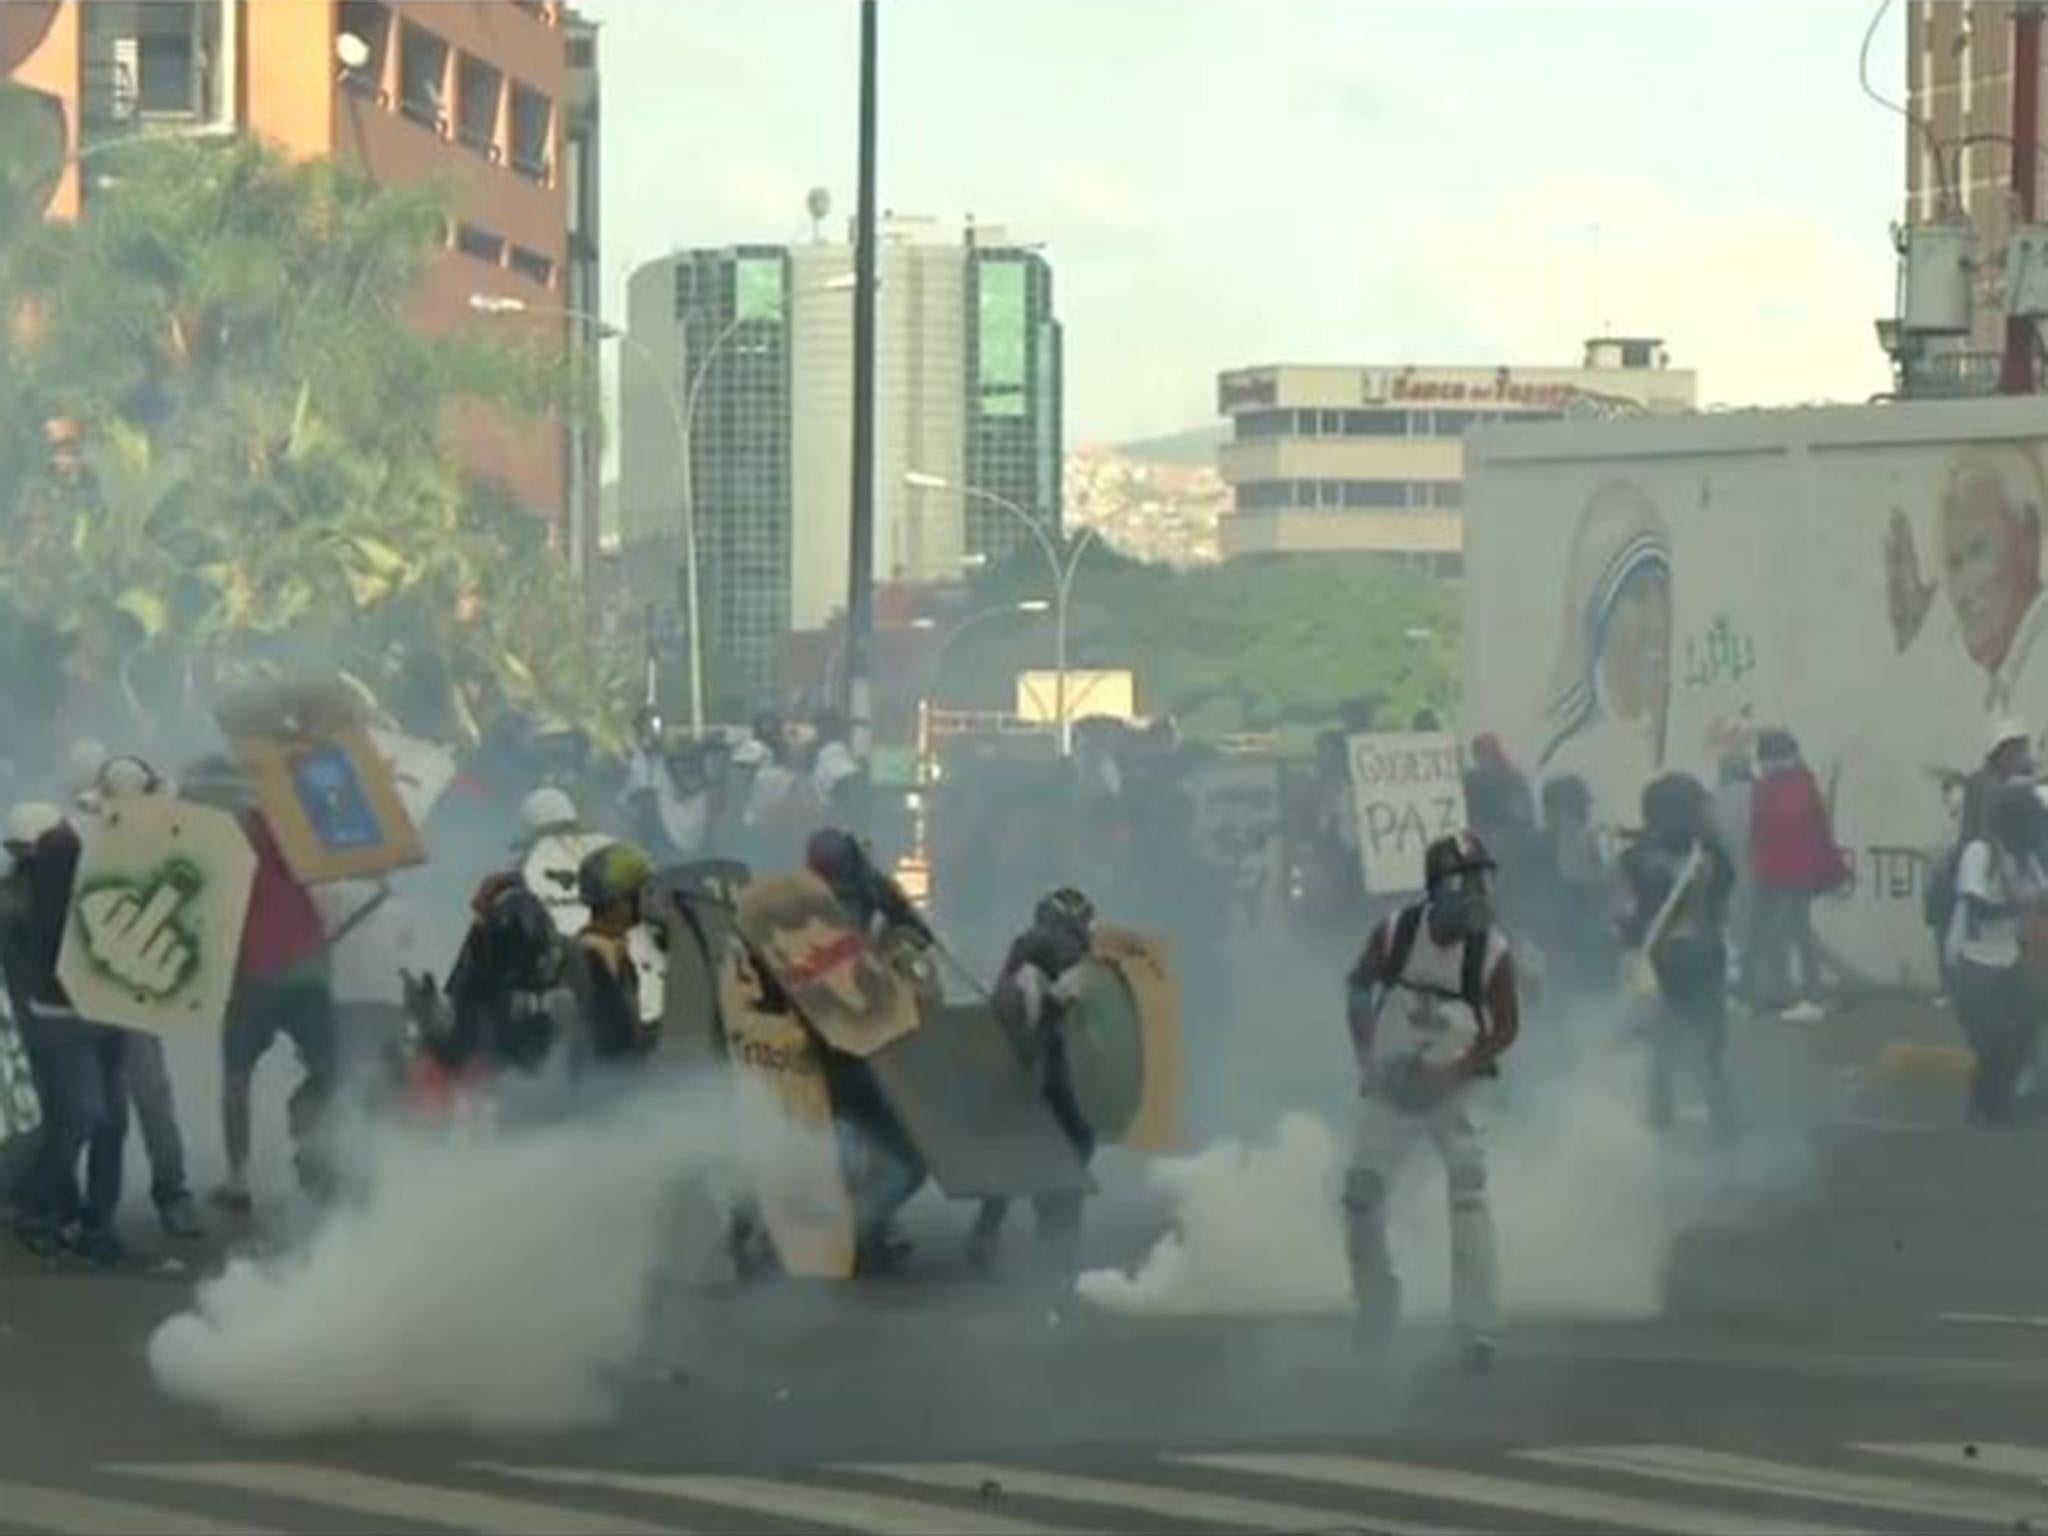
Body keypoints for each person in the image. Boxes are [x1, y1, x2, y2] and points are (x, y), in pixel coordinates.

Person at [1342, 831, 1520, 1372]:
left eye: (1485, 881)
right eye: (1466, 883)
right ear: (1436, 888)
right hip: (1394, 1080)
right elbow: (1359, 987)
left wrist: (1456, 1072)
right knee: (1361, 1192)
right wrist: (1369, 1063)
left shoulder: (1493, 952)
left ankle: (1478, 1328)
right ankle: (1377, 1299)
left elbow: (1506, 1028)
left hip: (1456, 1082)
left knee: (1468, 1189)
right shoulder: (1396, 932)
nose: (1479, 894)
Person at [66, 754, 204, 1240]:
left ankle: (162, 1196)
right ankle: (104, 1208)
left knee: (141, 1099)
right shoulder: (86, 836)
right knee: (116, 1104)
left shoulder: (154, 837)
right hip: (96, 985)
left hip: (132, 983)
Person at [0, 805, 128, 1265]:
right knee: (84, 1117)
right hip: (57, 1019)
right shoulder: (19, 899)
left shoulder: (80, 874)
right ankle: (38, 1205)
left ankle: (94, 1226)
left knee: (107, 1124)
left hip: (101, 1012)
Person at [804, 826, 932, 1273]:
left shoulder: (801, 909)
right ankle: (863, 1231)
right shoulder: (856, 905)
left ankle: (863, 1230)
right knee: (910, 1153)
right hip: (853, 1054)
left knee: (846, 1145)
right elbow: (917, 934)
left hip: (817, 1055)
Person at [965, 887, 1098, 1277]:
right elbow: (1020, 1029)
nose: (1073, 941)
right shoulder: (1028, 972)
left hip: (1050, 1071)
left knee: (1066, 1144)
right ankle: (1030, 1237)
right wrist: (1052, 1013)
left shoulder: (1062, 966)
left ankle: (1042, 1236)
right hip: (1028, 1071)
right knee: (1050, 1146)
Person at [215, 802, 340, 1212]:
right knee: (328, 1071)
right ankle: (322, 1159)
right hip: (303, 976)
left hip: (252, 979)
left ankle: (238, 1179)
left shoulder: (233, 849)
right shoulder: (310, 842)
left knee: (236, 1078)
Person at [1536, 480, 1674, 820]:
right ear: (1600, 613)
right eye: (1638, 597)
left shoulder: (1693, 724)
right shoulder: (1574, 759)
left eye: (1663, 593)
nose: (1657, 622)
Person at [1619, 773, 1738, 1137]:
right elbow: (1720, 901)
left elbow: (1623, 915)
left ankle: (1661, 1122)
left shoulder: (1633, 858)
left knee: (1662, 1049)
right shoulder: (1711, 855)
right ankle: (1724, 1125)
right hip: (1700, 957)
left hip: (1654, 960)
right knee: (1708, 1047)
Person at [1947, 783, 2047, 1127]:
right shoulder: (1980, 853)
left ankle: (1998, 1098)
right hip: (1976, 959)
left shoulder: (2026, 858)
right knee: (1990, 1039)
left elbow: (2042, 898)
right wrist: (2021, 908)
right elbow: (1978, 910)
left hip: (2011, 957)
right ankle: (1982, 1101)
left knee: (2027, 1024)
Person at [1747, 730, 1846, 1021]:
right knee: (1786, 932)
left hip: (1787, 869)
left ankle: (1799, 995)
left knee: (1788, 932)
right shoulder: (1795, 783)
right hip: (1778, 868)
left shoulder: (1787, 786)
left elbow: (1781, 827)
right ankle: (1785, 993)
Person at [1534, 775, 1614, 1002]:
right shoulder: (1572, 835)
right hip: (1578, 945)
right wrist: (1608, 876)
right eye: (1580, 807)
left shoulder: (1534, 841)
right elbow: (1575, 875)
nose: (1585, 813)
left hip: (1559, 946)